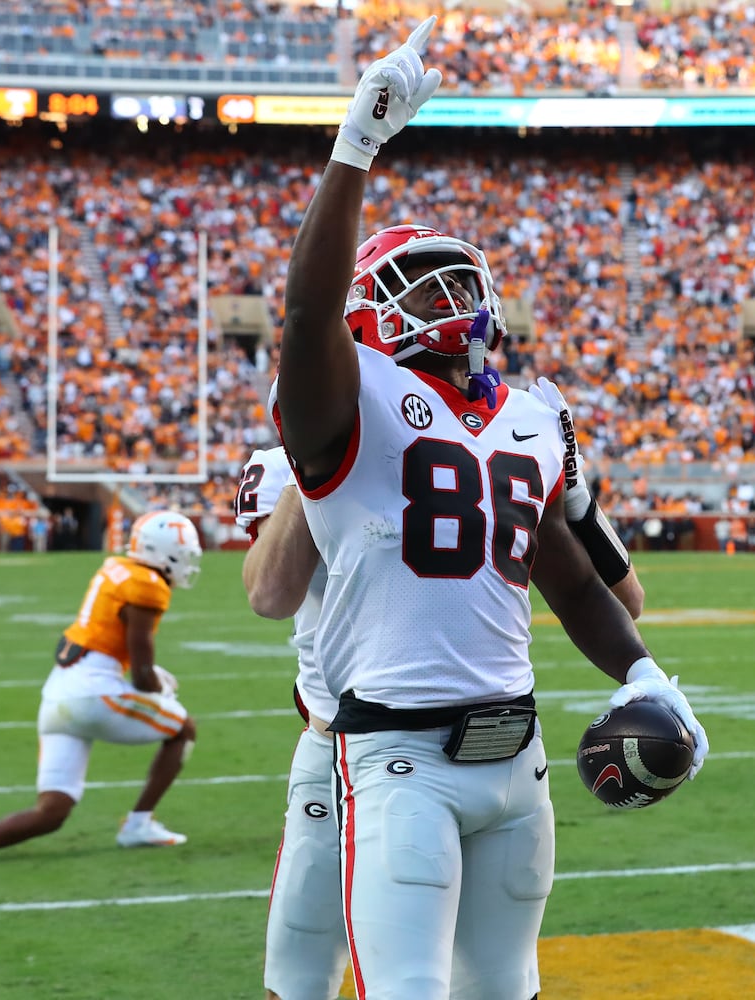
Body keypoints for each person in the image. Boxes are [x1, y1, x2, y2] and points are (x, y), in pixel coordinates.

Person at [271, 17, 705, 997]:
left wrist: (649, 672)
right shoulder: (351, 400)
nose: (450, 292)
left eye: (456, 276)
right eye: (418, 283)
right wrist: (355, 150)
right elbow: (305, 314)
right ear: (369, 314)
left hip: (519, 753)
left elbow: (571, 573)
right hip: (396, 757)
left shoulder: (534, 418)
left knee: (507, 988)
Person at [240, 381, 643, 1000]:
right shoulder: (298, 453)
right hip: (342, 746)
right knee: (300, 971)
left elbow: (623, 601)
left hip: (474, 745)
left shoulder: (473, 435)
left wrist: (575, 491)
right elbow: (269, 595)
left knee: (492, 977)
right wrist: (314, 466)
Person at [0, 510, 203, 871]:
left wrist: (146, 676)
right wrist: (159, 685)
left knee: (52, 811)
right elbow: (142, 677)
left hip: (58, 695)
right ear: (165, 552)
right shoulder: (147, 586)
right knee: (183, 728)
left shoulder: (115, 568)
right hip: (93, 696)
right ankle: (139, 823)